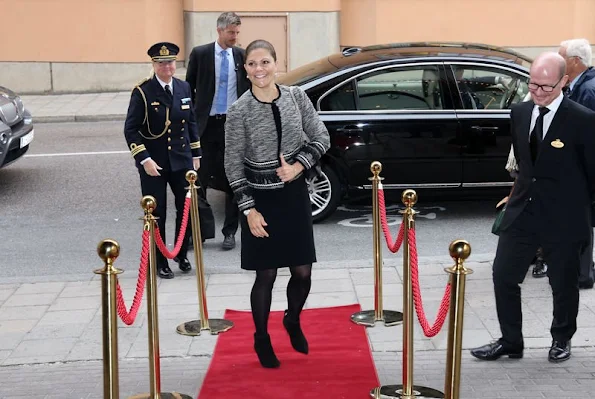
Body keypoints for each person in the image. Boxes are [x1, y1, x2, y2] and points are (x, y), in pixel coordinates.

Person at [470, 52, 595, 364]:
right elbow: (525, 164)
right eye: (533, 85)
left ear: (565, 82)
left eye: (546, 87)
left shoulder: (583, 119)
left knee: (563, 284)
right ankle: (511, 341)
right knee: (503, 274)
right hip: (523, 211)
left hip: (564, 216)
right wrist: (514, 193)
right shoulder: (520, 111)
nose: (538, 92)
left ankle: (561, 339)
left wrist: (583, 216)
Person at [224, 39, 330, 368]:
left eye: (265, 62)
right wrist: (248, 209)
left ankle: (292, 320)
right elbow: (232, 164)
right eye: (253, 64)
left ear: (275, 63)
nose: (259, 69)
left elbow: (321, 137)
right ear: (245, 69)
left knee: (302, 271)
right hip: (259, 202)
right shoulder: (239, 110)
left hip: (293, 196)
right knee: (266, 274)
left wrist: (298, 166)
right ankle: (261, 338)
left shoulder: (297, 97)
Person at [124, 42, 201, 279]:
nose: (167, 66)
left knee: (186, 208)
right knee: (158, 213)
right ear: (154, 65)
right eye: (161, 63)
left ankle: (181, 254)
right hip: (154, 163)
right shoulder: (143, 92)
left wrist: (196, 154)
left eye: (170, 62)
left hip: (181, 160)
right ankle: (159, 262)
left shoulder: (183, 87)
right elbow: (131, 129)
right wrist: (144, 159)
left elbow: (191, 122)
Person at [185, 11, 251, 250]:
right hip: (206, 125)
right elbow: (188, 87)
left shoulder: (241, 56)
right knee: (198, 179)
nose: (235, 37)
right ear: (220, 30)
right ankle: (200, 230)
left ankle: (230, 231)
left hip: (232, 126)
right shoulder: (201, 54)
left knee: (233, 179)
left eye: (237, 32)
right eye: (231, 32)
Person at [559, 38, 595, 289]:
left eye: (562, 57)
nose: (559, 62)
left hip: (583, 165)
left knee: (581, 216)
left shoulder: (588, 90)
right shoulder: (580, 85)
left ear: (575, 61)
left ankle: (583, 273)